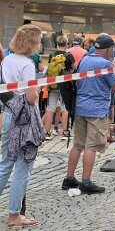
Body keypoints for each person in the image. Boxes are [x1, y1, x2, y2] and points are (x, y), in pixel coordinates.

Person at [62, 34, 115, 194]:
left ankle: (69, 178)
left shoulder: (85, 60)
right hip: (97, 109)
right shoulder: (106, 64)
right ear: (109, 49)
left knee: (77, 145)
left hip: (80, 107)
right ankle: (86, 181)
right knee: (91, 146)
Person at [0, 24, 42, 227]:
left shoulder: (6, 60)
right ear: (33, 42)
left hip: (9, 114)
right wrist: (37, 89)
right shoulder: (27, 64)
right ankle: (14, 214)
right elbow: (31, 97)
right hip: (25, 118)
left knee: (5, 164)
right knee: (23, 167)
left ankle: (14, 213)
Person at [43, 35, 76, 140]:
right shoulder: (69, 55)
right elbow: (75, 69)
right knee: (65, 108)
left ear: (57, 44)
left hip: (53, 84)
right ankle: (65, 133)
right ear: (66, 45)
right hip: (65, 85)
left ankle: (47, 133)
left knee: (50, 107)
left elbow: (49, 70)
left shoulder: (52, 55)